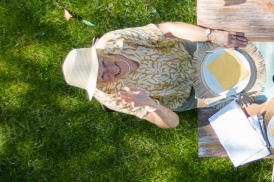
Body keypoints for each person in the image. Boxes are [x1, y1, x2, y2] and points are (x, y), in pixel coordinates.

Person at [61, 22, 246, 129]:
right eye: (102, 77)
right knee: (251, 92)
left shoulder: (112, 41)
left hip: (190, 53)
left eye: (103, 63)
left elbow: (166, 29)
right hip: (190, 93)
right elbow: (172, 123)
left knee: (248, 50)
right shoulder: (111, 97)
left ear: (100, 52)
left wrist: (211, 34)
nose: (110, 70)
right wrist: (151, 104)